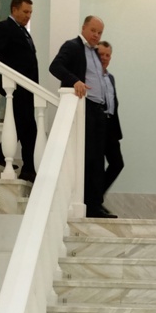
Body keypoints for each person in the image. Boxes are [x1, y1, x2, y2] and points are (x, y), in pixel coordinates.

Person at [49, 15, 113, 218]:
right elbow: (55, 66)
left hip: (98, 111)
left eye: (99, 32)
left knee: (97, 159)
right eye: (93, 30)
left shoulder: (95, 53)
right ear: (84, 28)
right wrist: (74, 81)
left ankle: (95, 204)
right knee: (87, 158)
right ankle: (87, 204)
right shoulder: (73, 46)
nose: (96, 35)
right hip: (84, 108)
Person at [0, 0, 38, 182]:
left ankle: (0, 157)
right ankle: (28, 169)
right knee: (29, 128)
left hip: (27, 89)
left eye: (30, 12)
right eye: (25, 11)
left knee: (19, 126)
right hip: (16, 88)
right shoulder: (4, 27)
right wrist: (13, 74)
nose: (28, 16)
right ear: (14, 9)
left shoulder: (24, 32)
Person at [96, 41, 124, 209]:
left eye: (107, 55)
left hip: (111, 127)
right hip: (97, 127)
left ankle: (96, 197)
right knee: (97, 167)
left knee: (117, 163)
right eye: (101, 54)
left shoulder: (110, 77)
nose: (104, 58)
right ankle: (95, 202)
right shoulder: (91, 76)